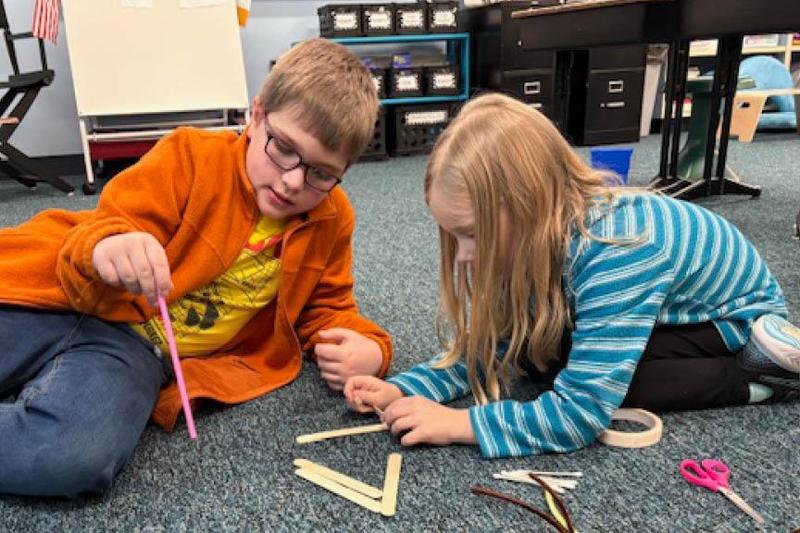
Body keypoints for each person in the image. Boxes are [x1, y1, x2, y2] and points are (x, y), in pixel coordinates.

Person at [0, 38, 392, 496]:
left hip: (138, 351)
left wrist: (370, 350)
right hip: (59, 295)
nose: (292, 180)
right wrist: (111, 246)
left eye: (321, 173)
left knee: (73, 457)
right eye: (283, 148)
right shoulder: (191, 155)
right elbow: (113, 221)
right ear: (257, 115)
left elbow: (327, 307)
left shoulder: (332, 217)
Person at [344, 92, 800, 458]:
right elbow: (497, 347)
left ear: (526, 206)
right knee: (542, 350)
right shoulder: (535, 238)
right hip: (665, 307)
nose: (463, 256)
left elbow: (581, 414)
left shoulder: (616, 252)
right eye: (453, 237)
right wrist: (403, 388)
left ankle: (761, 377)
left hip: (733, 322)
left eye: (472, 235)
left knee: (605, 384)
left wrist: (460, 425)